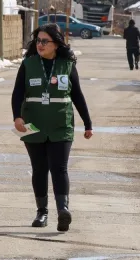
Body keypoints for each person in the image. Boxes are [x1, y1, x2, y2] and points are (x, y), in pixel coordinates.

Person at [11, 23, 93, 232]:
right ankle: (42, 212)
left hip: (60, 125)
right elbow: (17, 93)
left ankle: (63, 209)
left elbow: (78, 96)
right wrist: (17, 118)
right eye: (38, 40)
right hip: (34, 125)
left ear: (56, 44)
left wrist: (87, 123)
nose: (40, 44)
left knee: (59, 168)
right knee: (39, 169)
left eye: (45, 41)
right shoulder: (28, 64)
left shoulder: (67, 64)